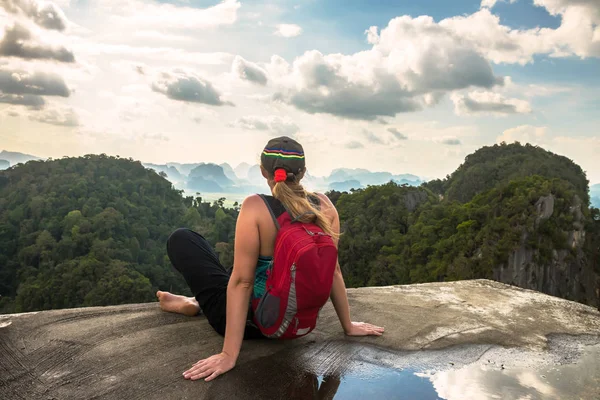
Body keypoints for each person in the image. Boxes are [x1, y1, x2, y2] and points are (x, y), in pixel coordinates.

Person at [156, 136, 384, 382]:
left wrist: (229, 354)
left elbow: (242, 283)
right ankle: (196, 301)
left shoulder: (255, 206)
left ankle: (197, 303)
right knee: (245, 268)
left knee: (182, 239)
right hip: (298, 325)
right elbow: (334, 271)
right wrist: (348, 325)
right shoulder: (324, 206)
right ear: (303, 172)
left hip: (252, 323)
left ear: (263, 170)